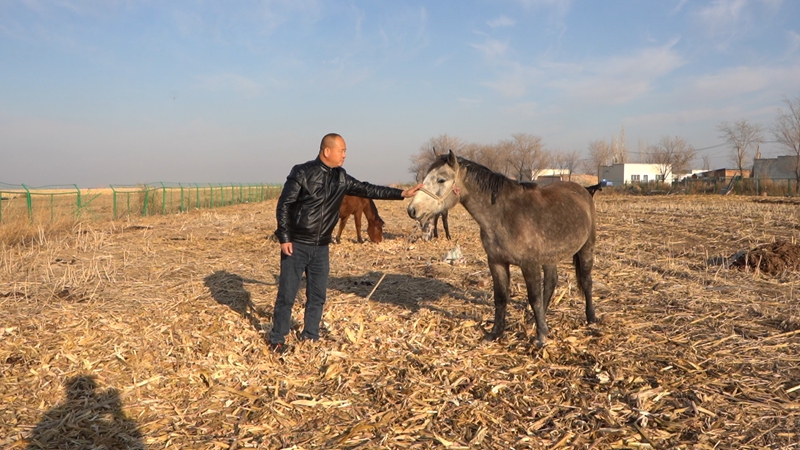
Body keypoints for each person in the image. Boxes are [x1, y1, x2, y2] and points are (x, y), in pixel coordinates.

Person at [269, 133, 421, 353]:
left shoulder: (341, 177)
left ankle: (310, 335)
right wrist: (284, 237)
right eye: (342, 150)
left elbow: (368, 189)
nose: (345, 155)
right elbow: (284, 205)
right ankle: (277, 338)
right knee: (287, 294)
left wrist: (403, 193)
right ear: (327, 151)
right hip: (297, 244)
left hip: (321, 247)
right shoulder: (302, 172)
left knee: (318, 295)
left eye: (345, 151)